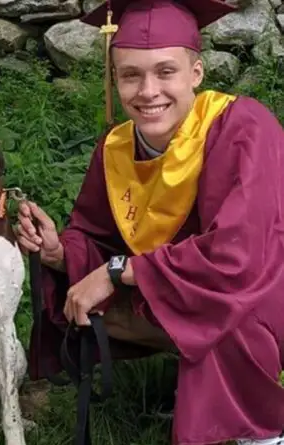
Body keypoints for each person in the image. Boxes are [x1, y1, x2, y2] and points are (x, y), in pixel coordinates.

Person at [15, 0, 284, 444]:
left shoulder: (242, 125)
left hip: (261, 292)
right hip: (177, 291)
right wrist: (60, 252)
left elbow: (238, 255)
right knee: (89, 291)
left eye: (165, 72)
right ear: (114, 79)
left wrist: (119, 271)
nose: (148, 91)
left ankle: (261, 433)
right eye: (131, 74)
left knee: (224, 305)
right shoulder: (116, 147)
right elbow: (96, 233)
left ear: (195, 73)